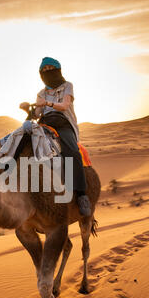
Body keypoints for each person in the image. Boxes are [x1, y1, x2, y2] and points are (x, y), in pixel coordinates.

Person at [35, 56, 91, 217]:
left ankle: (81, 195)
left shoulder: (67, 86)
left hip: (64, 123)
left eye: (50, 68)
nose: (48, 72)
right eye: (44, 70)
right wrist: (30, 109)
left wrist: (47, 104)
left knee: (72, 152)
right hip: (45, 124)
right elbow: (37, 113)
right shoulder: (41, 93)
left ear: (58, 69)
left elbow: (65, 106)